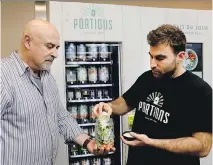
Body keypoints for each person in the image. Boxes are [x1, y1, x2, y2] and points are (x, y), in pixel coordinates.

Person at [93, 24, 212, 165]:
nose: (152, 64)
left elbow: (203, 147)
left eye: (160, 58)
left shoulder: (200, 91)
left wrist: (151, 143)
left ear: (180, 57)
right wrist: (109, 106)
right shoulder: (147, 78)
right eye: (151, 57)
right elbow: (125, 102)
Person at [0, 19, 114, 165]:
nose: (55, 54)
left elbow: (61, 117)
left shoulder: (47, 77)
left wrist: (88, 142)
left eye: (57, 47)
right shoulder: (3, 76)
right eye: (50, 46)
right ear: (28, 42)